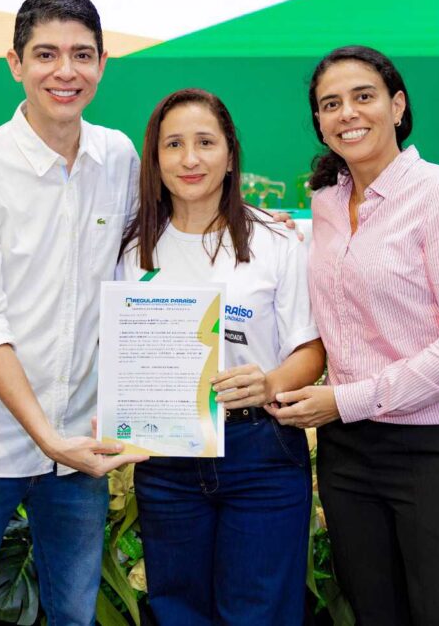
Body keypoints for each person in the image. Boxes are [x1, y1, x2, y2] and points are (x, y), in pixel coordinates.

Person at [266, 46, 439, 625]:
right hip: (350, 454)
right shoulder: (325, 205)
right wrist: (270, 231)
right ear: (319, 122)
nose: (348, 113)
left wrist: (346, 399)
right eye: (331, 104)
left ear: (398, 106)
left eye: (364, 97)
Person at [0, 0, 147, 625]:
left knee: (74, 614)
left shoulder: (118, 156)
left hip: (78, 440)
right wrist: (46, 437)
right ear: (15, 63)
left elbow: (143, 268)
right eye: (46, 54)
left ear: (102, 62)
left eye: (82, 55)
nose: (65, 71)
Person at [117, 88, 326, 624]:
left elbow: (310, 349)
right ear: (155, 158)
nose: (190, 159)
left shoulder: (275, 241)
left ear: (231, 155)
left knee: (260, 612)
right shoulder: (132, 250)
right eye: (174, 145)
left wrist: (271, 382)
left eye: (205, 143)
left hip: (260, 451)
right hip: (166, 460)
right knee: (178, 610)